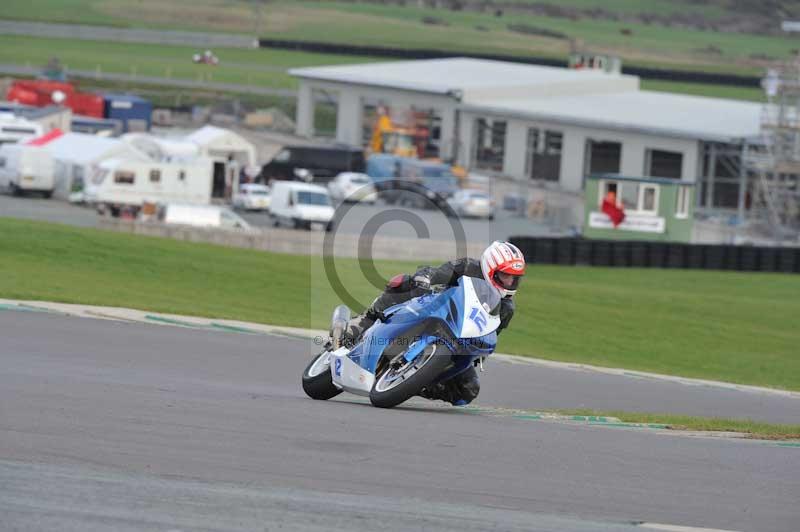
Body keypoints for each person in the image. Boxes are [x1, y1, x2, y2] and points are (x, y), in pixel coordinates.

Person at [344, 241, 526, 406]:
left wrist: (479, 352)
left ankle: (416, 383)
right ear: (490, 268)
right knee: (405, 282)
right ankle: (364, 320)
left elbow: (491, 331)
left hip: (458, 339)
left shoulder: (506, 308)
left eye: (514, 278)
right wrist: (426, 279)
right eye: (505, 276)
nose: (510, 282)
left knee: (468, 391)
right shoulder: (468, 267)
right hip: (434, 310)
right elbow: (439, 272)